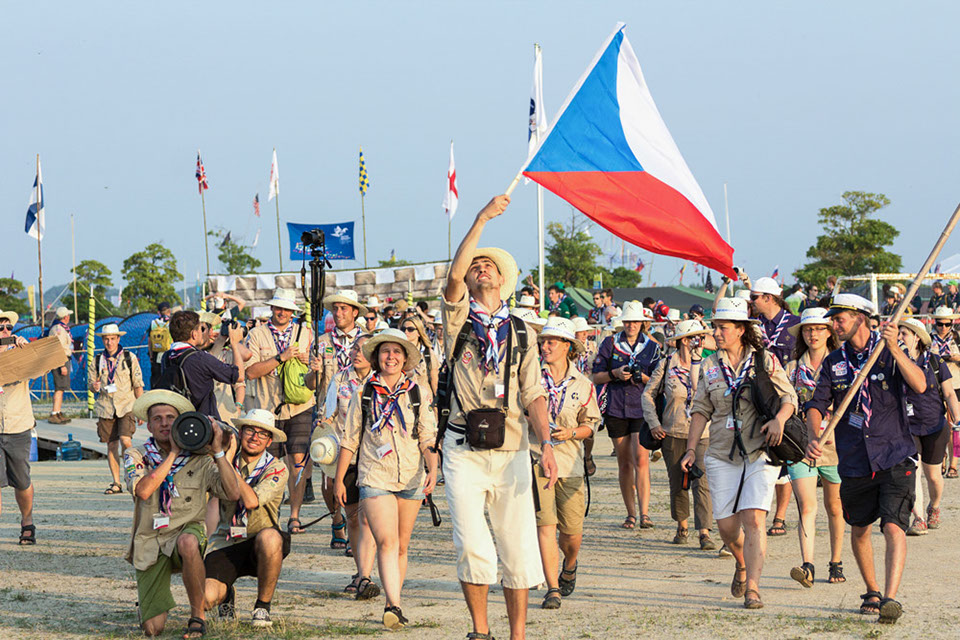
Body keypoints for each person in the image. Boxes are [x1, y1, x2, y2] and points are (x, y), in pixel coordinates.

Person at [441, 195, 557, 640]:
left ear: (503, 279)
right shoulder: (458, 320)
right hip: (463, 447)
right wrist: (481, 219)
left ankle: (518, 634)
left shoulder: (523, 330)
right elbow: (453, 276)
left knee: (518, 545)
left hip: (511, 448)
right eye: (476, 265)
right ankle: (480, 631)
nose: (480, 268)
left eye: (489, 266)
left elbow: (534, 393)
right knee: (472, 543)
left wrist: (546, 442)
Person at [805, 294, 927, 624]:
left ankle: (890, 598)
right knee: (859, 528)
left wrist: (897, 349)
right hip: (855, 458)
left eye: (839, 317)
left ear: (860, 317)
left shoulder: (888, 352)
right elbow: (816, 405)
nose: (834, 323)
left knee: (892, 525)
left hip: (895, 454)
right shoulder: (834, 362)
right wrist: (813, 436)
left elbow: (919, 384)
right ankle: (872, 589)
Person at [680, 298, 797, 610]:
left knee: (755, 519)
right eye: (715, 327)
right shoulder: (708, 365)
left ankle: (754, 588)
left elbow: (789, 397)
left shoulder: (765, 360)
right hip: (720, 452)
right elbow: (701, 410)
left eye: (723, 327)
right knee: (727, 528)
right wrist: (691, 449)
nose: (716, 333)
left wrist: (779, 420)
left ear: (741, 330)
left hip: (761, 450)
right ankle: (741, 562)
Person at [334, 328, 438, 629]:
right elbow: (349, 440)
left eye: (396, 352)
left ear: (405, 359)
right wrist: (340, 480)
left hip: (412, 476)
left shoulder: (418, 392)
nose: (390, 357)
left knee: (403, 545)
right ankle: (393, 604)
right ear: (377, 358)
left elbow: (427, 436)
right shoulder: (363, 393)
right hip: (375, 474)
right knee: (387, 541)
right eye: (385, 352)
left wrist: (433, 468)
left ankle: (396, 598)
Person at [124, 389, 241, 638]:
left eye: (170, 417)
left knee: (189, 542)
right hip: (151, 539)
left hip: (186, 531)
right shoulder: (137, 456)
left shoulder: (199, 459)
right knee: (153, 629)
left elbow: (232, 493)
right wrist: (174, 454)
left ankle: (197, 616)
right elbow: (143, 491)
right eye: (157, 418)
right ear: (149, 425)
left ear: (180, 422)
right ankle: (147, 607)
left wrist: (219, 451)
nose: (164, 423)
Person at [533, 318, 600, 610]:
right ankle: (553, 588)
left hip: (570, 463)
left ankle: (570, 564)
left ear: (567, 347)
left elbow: (591, 425)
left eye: (551, 342)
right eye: (543, 341)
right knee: (545, 525)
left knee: (571, 534)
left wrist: (571, 432)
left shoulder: (583, 384)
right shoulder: (531, 377)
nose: (545, 346)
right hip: (536, 460)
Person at [204, 409, 290, 628]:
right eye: (250, 430)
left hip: (259, 541)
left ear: (269, 441)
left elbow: (251, 501)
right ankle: (226, 595)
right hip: (227, 540)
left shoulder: (277, 467)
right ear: (240, 433)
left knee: (270, 538)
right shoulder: (222, 461)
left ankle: (262, 606)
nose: (255, 437)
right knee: (205, 599)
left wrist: (227, 462)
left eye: (262, 434)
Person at [311, 334, 380, 598]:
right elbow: (328, 413)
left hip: (375, 456)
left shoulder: (381, 379)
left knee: (369, 516)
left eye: (363, 349)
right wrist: (323, 427)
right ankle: (361, 572)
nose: (356, 353)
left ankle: (367, 573)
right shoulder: (340, 379)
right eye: (354, 348)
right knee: (353, 516)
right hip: (347, 455)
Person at [782, 308, 846, 588]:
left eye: (819, 328)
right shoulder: (792, 368)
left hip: (836, 443)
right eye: (808, 329)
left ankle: (836, 561)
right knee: (807, 506)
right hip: (802, 444)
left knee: (835, 507)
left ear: (830, 331)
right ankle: (807, 564)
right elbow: (786, 400)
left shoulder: (841, 364)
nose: (813, 334)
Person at [244, 288, 315, 536]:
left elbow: (314, 375)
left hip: (300, 406)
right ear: (271, 309)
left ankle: (294, 516)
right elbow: (250, 372)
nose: (282, 312)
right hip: (266, 409)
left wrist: (310, 365)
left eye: (287, 309)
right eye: (278, 307)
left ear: (293, 312)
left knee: (297, 461)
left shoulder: (306, 333)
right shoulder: (256, 334)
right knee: (266, 464)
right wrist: (280, 357)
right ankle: (270, 516)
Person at [642, 320, 717, 551]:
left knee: (701, 481)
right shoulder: (666, 364)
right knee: (678, 482)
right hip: (673, 431)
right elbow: (647, 395)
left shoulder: (707, 364)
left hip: (702, 432)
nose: (700, 342)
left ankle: (704, 531)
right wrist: (654, 423)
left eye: (701, 338)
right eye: (696, 337)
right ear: (684, 340)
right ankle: (682, 526)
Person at [592, 300, 661, 530]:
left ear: (643, 323)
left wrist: (641, 377)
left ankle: (644, 513)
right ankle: (630, 513)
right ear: (623, 322)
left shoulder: (652, 347)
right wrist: (615, 373)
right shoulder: (610, 343)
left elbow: (658, 381)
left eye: (635, 321)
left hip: (641, 408)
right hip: (616, 407)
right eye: (628, 321)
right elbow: (596, 376)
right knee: (624, 463)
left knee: (641, 459)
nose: (631, 325)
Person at [311, 289, 368, 547]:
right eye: (335, 309)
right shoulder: (322, 340)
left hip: (363, 413)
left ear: (355, 312)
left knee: (357, 474)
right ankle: (336, 519)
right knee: (329, 475)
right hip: (331, 412)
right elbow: (313, 383)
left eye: (344, 308)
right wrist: (312, 372)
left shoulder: (368, 341)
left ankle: (356, 525)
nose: (338, 313)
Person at [896, 318, 959, 535]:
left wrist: (957, 417)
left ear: (916, 337)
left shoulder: (935, 362)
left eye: (904, 334)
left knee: (933, 475)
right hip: (907, 426)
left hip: (934, 425)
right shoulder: (897, 363)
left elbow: (949, 393)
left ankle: (935, 506)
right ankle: (919, 518)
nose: (900, 338)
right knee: (912, 471)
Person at [750, 276, 799, 537]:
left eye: (755, 297)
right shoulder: (753, 326)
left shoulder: (794, 324)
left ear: (769, 298)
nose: (752, 301)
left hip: (787, 394)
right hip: (759, 396)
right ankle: (759, 511)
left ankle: (780, 515)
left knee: (785, 452)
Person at [0, 310, 41, 545]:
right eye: (1, 329)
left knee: (22, 481)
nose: (6, 333)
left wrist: (28, 350)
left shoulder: (20, 355)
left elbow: (45, 364)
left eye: (9, 329)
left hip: (18, 425)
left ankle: (27, 521)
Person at [157, 310, 244, 419]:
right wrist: (235, 344)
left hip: (180, 421)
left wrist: (221, 340)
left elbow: (205, 362)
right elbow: (239, 376)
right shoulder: (200, 358)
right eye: (200, 329)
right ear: (194, 334)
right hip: (204, 424)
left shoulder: (167, 356)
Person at [90, 323, 145, 496]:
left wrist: (141, 409)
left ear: (118, 339)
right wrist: (94, 386)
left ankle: (132, 477)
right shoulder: (97, 360)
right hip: (106, 407)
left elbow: (138, 385)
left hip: (127, 405)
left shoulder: (130, 357)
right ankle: (116, 482)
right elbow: (91, 386)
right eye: (106, 339)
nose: (109, 342)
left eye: (112, 339)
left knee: (126, 441)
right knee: (111, 444)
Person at [929, 306, 960, 477]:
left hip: (956, 384)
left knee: (955, 425)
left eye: (947, 324)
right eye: (940, 324)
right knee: (938, 425)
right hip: (935, 385)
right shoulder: (928, 338)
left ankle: (954, 464)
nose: (943, 328)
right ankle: (940, 459)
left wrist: (956, 358)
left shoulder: (958, 337)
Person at [398, 315, 439, 397]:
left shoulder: (427, 353)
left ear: (419, 333)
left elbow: (434, 380)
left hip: (425, 400)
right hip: (402, 400)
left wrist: (436, 404)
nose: (406, 332)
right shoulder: (397, 353)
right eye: (403, 329)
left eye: (410, 329)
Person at [47, 306, 74, 424]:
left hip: (64, 359)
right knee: (59, 388)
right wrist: (62, 364)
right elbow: (58, 348)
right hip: (60, 360)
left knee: (61, 388)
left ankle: (58, 412)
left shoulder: (63, 328)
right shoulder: (58, 329)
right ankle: (54, 413)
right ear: (65, 317)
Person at [149, 302, 172, 387]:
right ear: (169, 310)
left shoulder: (153, 323)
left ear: (158, 312)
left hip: (156, 355)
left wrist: (151, 356)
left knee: (156, 379)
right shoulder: (172, 322)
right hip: (169, 354)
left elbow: (149, 341)